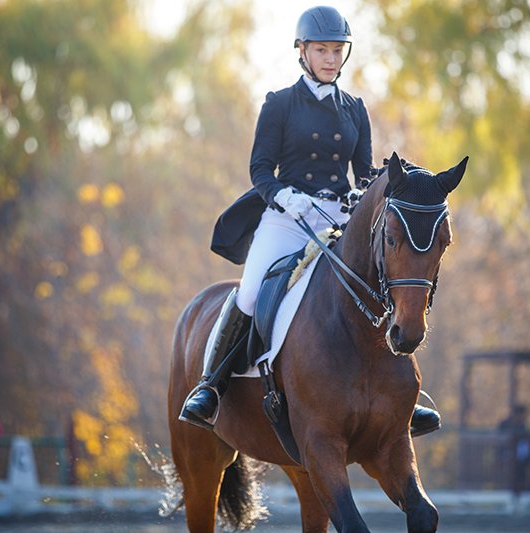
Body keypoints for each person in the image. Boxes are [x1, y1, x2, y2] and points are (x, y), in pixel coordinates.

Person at [179, 6, 441, 436]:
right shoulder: (279, 104)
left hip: (339, 217)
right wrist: (285, 196)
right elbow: (261, 169)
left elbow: (365, 173)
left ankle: (403, 399)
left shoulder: (355, 108)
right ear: (302, 51)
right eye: (321, 50)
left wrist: (362, 194)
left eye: (337, 50)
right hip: (287, 218)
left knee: (380, 288)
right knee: (249, 291)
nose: (330, 58)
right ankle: (211, 386)